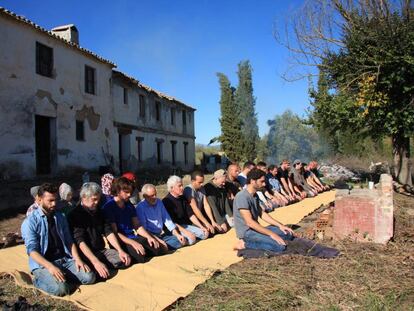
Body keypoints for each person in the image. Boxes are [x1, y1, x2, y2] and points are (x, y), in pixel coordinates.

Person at [21, 183, 95, 296]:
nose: (54, 203)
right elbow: (32, 251)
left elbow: (69, 241)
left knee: (90, 277)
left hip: (64, 260)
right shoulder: (30, 222)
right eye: (50, 200)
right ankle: (38, 281)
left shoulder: (60, 217)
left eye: (55, 200)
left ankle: (63, 278)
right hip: (44, 264)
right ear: (39, 199)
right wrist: (50, 267)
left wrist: (78, 259)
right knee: (62, 289)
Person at [68, 182, 131, 280]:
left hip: (101, 251)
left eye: (98, 199)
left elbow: (108, 232)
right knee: (94, 275)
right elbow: (80, 241)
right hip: (86, 254)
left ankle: (104, 265)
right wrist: (95, 262)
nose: (97, 202)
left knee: (124, 260)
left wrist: (120, 250)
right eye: (94, 199)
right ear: (84, 197)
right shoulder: (75, 215)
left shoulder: (100, 211)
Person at [103, 177, 166, 263]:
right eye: (126, 192)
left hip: (133, 237)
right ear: (118, 191)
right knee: (140, 256)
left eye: (130, 192)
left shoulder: (129, 205)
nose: (129, 195)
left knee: (159, 248)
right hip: (121, 241)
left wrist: (149, 237)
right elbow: (115, 232)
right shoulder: (109, 207)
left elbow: (137, 225)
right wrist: (132, 243)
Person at [233, 169, 295, 252]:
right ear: (252, 181)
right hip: (247, 232)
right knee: (279, 246)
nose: (264, 184)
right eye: (261, 181)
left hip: (256, 228)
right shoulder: (242, 196)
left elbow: (262, 213)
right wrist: (272, 234)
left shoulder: (255, 195)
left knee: (288, 234)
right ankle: (244, 244)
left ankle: (264, 238)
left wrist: (280, 225)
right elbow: (249, 222)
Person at [137, 184, 187, 250]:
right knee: (160, 246)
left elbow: (167, 220)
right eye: (152, 196)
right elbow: (144, 229)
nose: (155, 197)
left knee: (183, 240)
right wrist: (158, 240)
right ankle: (163, 246)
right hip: (150, 236)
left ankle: (165, 246)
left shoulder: (159, 202)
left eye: (155, 194)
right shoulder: (140, 208)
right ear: (145, 196)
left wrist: (177, 235)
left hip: (161, 234)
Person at [162, 175, 209, 244]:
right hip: (175, 228)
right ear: (172, 188)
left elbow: (191, 215)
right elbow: (172, 223)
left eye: (182, 185)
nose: (182, 188)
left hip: (186, 225)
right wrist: (187, 232)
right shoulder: (166, 201)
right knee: (191, 239)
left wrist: (201, 226)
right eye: (179, 186)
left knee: (204, 234)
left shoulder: (182, 198)